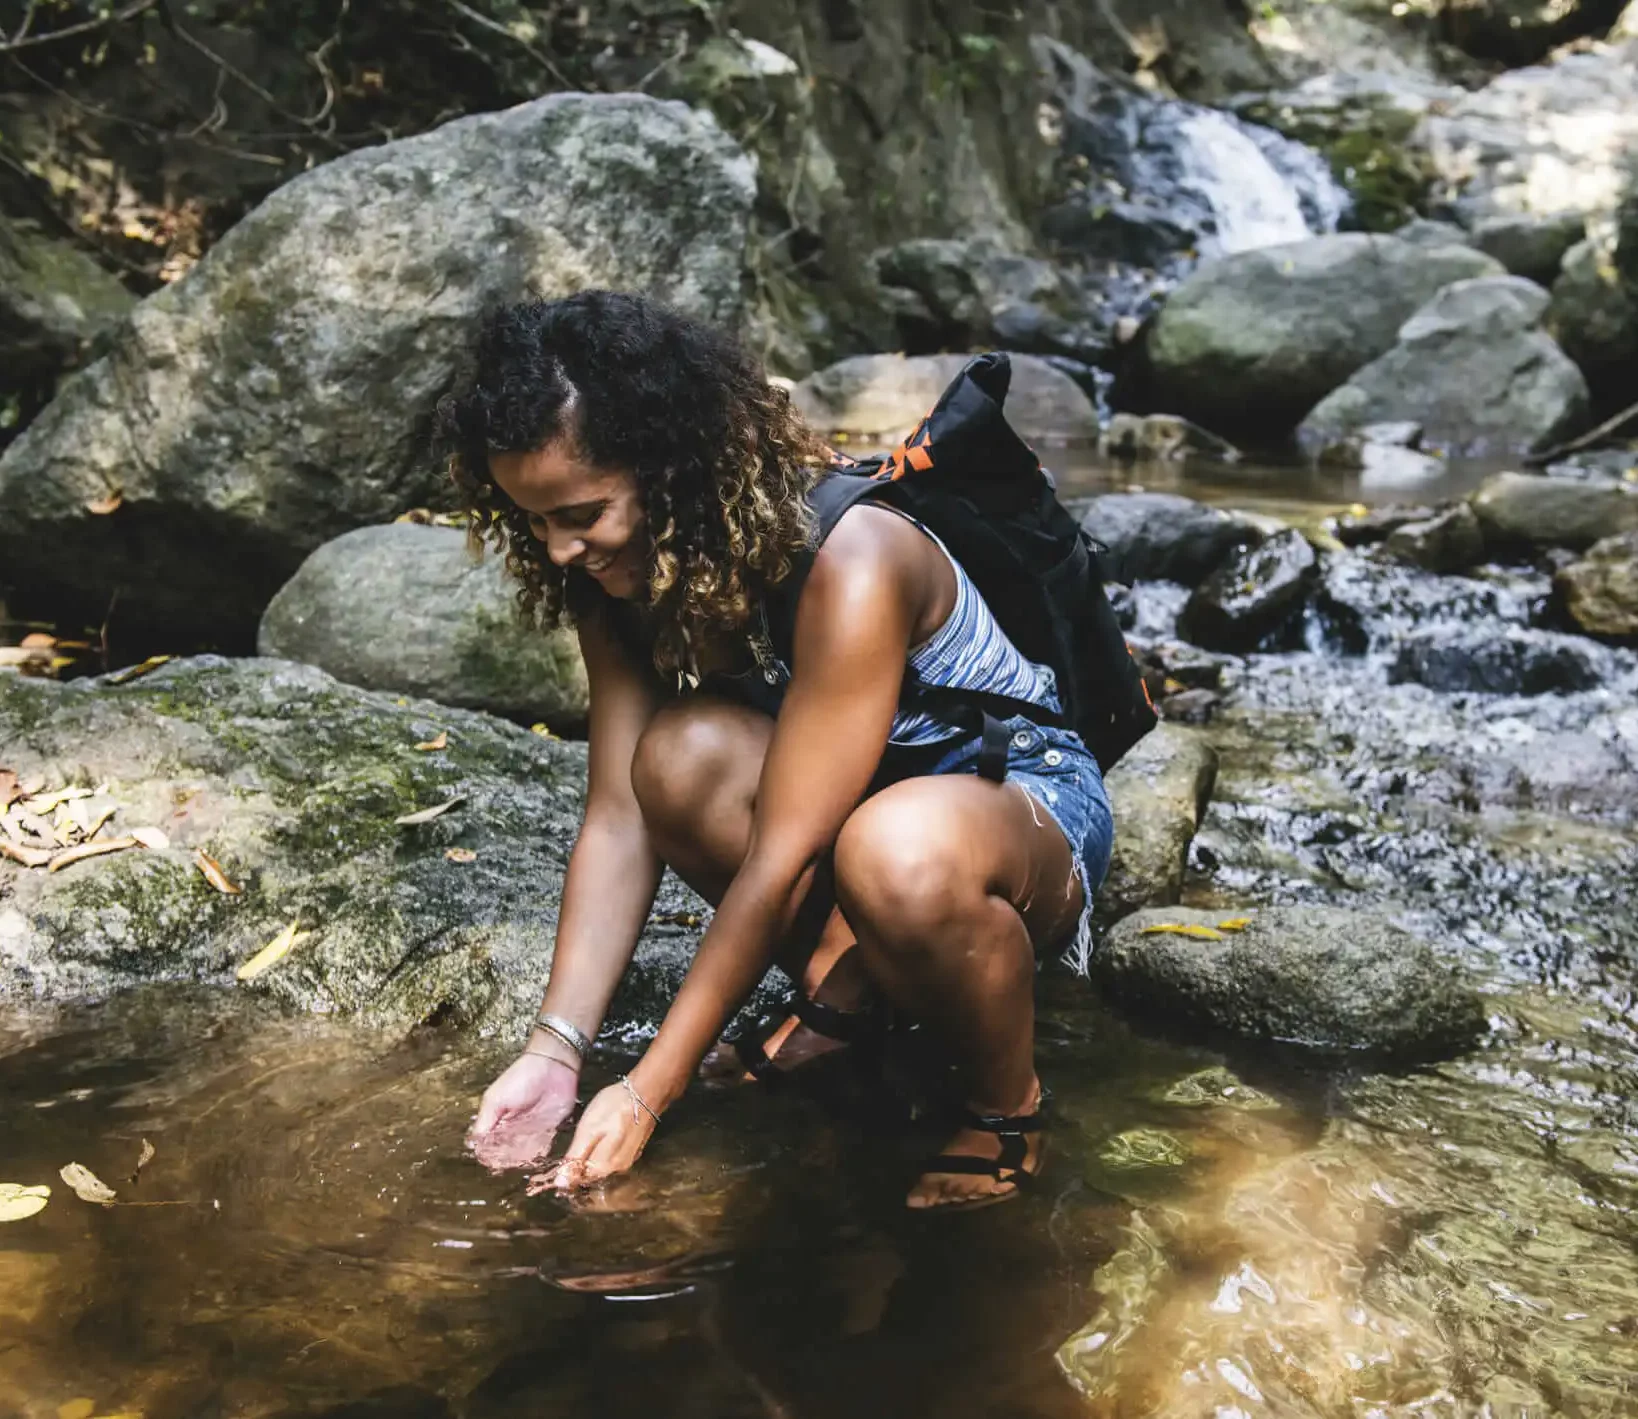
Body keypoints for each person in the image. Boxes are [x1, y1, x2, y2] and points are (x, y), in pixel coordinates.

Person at [442, 291, 1114, 1211]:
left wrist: (647, 1088)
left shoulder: (854, 555)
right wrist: (553, 1051)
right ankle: (846, 1000)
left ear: (671, 471)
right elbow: (617, 819)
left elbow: (781, 857)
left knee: (896, 851)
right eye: (534, 521)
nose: (559, 550)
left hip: (1010, 800)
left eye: (582, 513)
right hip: (857, 811)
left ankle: (1008, 1111)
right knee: (678, 758)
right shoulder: (616, 576)